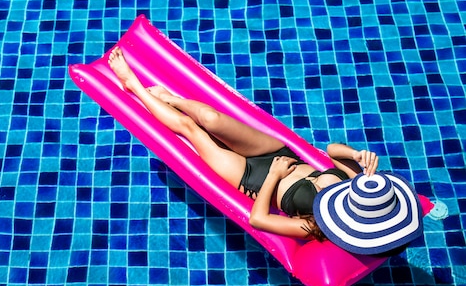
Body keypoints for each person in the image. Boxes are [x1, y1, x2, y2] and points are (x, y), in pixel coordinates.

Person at [107, 47, 380, 241]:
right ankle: (172, 99)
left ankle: (133, 85)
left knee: (191, 128)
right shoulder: (355, 184)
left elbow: (258, 219)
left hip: (253, 180)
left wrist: (273, 176)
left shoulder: (318, 226)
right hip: (275, 151)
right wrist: (356, 154)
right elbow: (332, 150)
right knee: (211, 119)